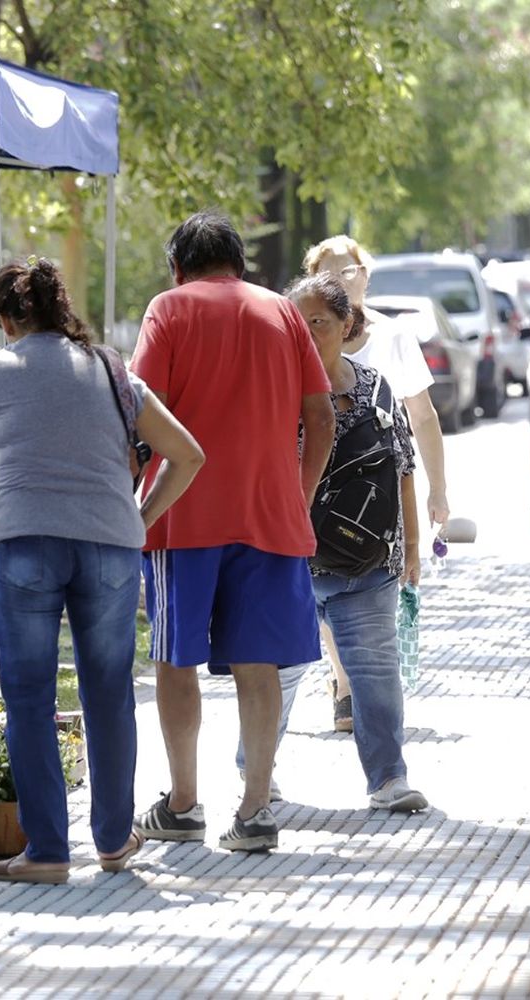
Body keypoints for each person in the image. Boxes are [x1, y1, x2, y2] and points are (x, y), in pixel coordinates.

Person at [0, 257, 204, 883]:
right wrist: (140, 519)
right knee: (108, 695)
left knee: (28, 700)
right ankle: (111, 841)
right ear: (60, 307)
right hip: (108, 544)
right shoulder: (112, 370)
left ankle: (46, 851)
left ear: (5, 320)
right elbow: (188, 454)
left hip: (21, 540)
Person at [131, 212, 335, 854]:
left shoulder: (168, 309)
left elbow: (137, 410)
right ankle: (255, 810)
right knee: (259, 662)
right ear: (239, 264)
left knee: (174, 657)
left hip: (179, 514)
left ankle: (185, 803)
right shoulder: (283, 313)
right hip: (269, 515)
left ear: (178, 267)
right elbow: (321, 416)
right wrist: (296, 496)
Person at [234, 273, 428, 813]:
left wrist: (412, 547)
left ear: (347, 325)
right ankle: (256, 773)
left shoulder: (375, 387)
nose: (304, 331)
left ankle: (389, 780)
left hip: (365, 564)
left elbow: (402, 467)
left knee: (373, 671)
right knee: (277, 669)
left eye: (317, 321)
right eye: (294, 321)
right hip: (286, 563)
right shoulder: (269, 391)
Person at [301, 235, 451, 732]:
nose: (344, 280)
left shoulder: (394, 338)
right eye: (330, 272)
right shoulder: (301, 339)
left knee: (366, 583)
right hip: (313, 487)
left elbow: (422, 418)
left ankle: (355, 691)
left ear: (366, 276)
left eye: (351, 271)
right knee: (322, 585)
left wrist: (438, 490)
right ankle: (344, 682)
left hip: (376, 493)